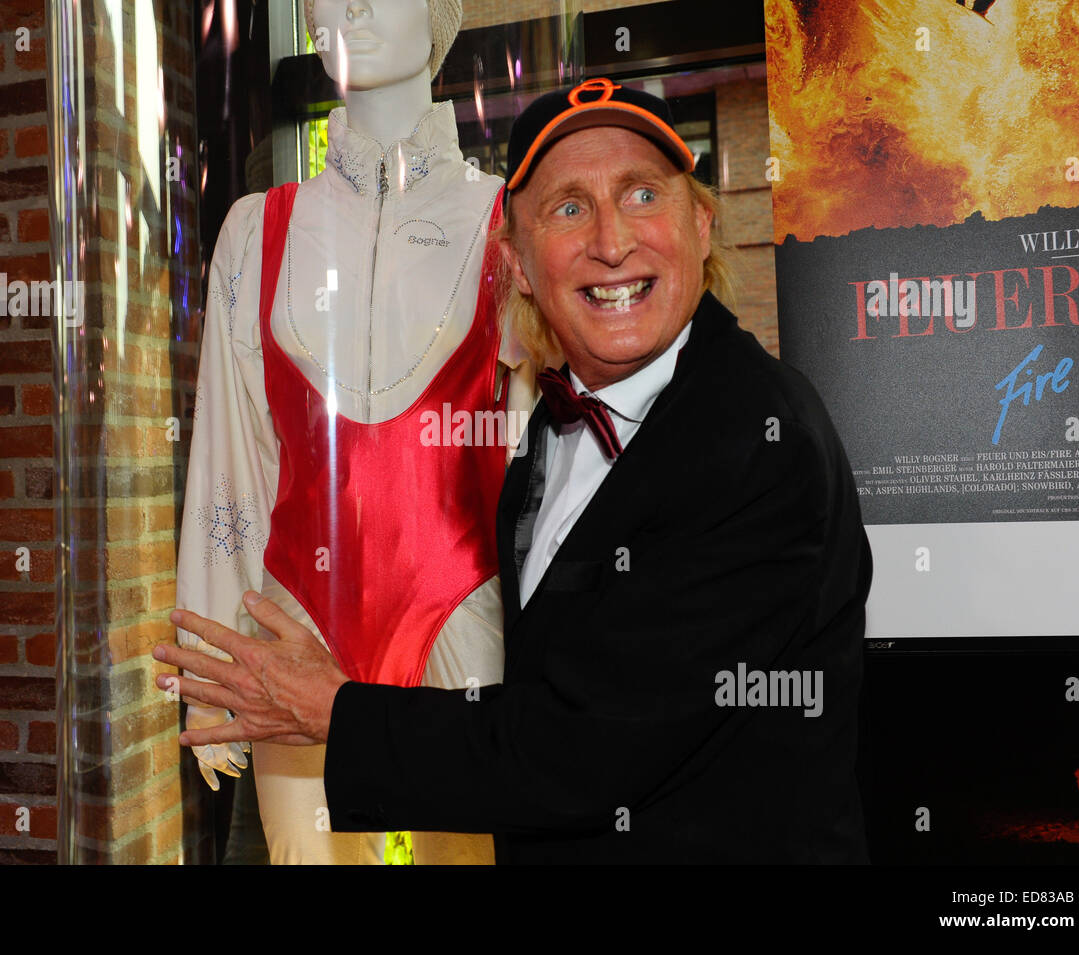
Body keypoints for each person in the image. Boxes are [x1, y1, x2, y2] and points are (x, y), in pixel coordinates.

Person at [161, 77, 873, 863]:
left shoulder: (758, 442)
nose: (611, 241)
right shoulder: (546, 435)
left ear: (701, 225)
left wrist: (336, 712)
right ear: (519, 265)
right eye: (568, 207)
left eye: (641, 194)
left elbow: (585, 750)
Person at [174, 0, 535, 864]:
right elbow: (233, 464)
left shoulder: (509, 222)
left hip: (466, 631)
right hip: (295, 624)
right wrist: (210, 669)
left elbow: (540, 465)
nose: (352, 10)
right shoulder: (257, 230)